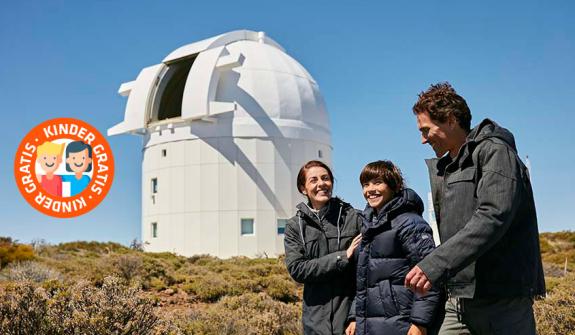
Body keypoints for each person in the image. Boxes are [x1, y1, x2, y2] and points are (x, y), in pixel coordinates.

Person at [405, 82, 545, 335]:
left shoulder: (495, 151)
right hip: (458, 300)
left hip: (501, 302)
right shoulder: (447, 166)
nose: (423, 140)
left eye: (426, 130)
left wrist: (435, 264)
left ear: (449, 119)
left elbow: (493, 215)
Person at [353, 160, 442, 335]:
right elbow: (363, 282)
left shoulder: (410, 223)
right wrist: (353, 317)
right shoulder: (369, 227)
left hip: (402, 322)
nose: (370, 189)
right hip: (371, 325)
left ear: (395, 185)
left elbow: (431, 275)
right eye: (365, 184)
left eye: (378, 182)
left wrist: (420, 322)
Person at [284, 160, 362, 335]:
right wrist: (342, 257)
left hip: (350, 320)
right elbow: (298, 269)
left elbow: (366, 272)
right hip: (315, 323)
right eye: (313, 180)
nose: (321, 184)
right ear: (303, 189)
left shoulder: (353, 218)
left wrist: (356, 315)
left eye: (325, 178)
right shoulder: (295, 226)